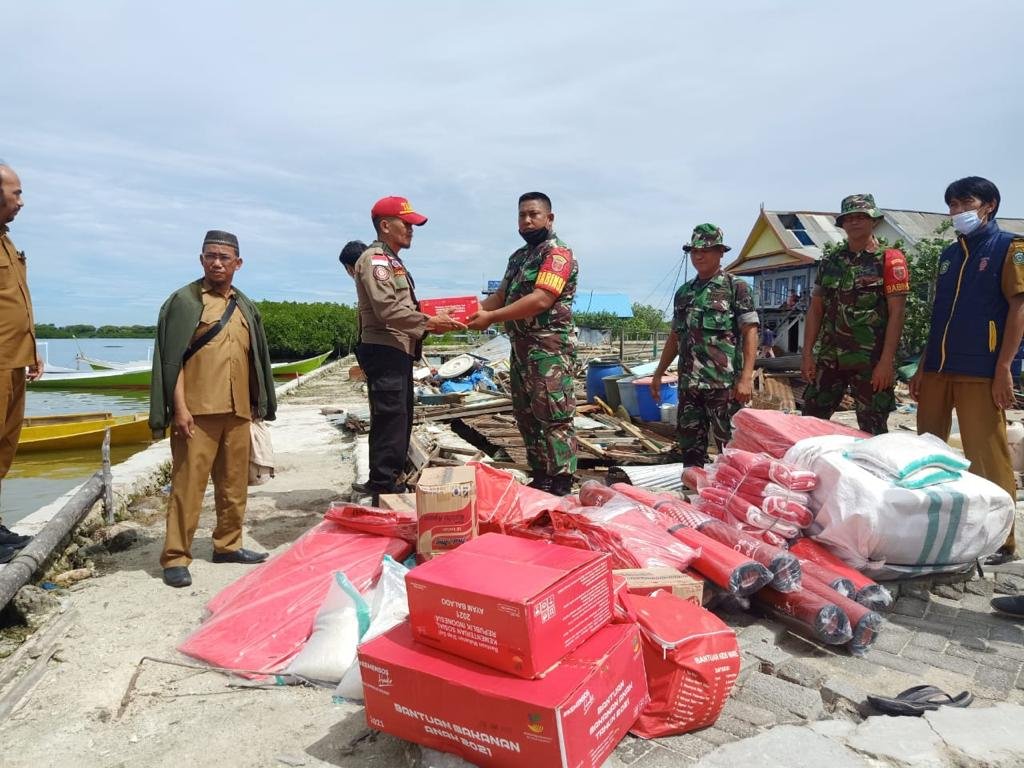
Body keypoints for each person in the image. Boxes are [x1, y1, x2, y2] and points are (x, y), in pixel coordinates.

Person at [149, 230, 277, 588]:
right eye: (210, 256)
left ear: (238, 263)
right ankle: (175, 556)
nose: (216, 262)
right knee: (188, 486)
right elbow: (171, 360)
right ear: (201, 259)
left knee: (234, 484)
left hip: (238, 410)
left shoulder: (245, 305)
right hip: (196, 412)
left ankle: (228, 545)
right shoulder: (185, 302)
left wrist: (257, 403)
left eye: (224, 257)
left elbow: (256, 359)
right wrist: (179, 409)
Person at [910, 177, 1024, 566]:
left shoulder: (1011, 247)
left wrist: (1004, 368)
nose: (958, 211)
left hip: (981, 369)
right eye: (953, 205)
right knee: (927, 453)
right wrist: (923, 368)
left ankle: (1003, 541)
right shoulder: (948, 254)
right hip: (939, 370)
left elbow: (1019, 309)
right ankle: (935, 531)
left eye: (966, 203)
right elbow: (938, 317)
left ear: (989, 205)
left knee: (987, 455)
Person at [467, 192, 578, 495]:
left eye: (534, 214)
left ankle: (562, 481)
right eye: (521, 215)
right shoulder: (518, 257)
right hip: (520, 349)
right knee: (526, 416)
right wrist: (468, 313)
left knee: (554, 417)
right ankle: (540, 475)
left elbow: (541, 298)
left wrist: (490, 318)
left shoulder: (558, 255)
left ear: (549, 217)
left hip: (548, 351)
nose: (527, 221)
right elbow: (500, 296)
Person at [352, 198, 462, 501]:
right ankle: (384, 486)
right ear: (385, 226)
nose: (411, 230)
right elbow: (387, 309)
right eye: (406, 223)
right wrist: (429, 322)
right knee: (390, 418)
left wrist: (432, 318)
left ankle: (390, 479)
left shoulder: (392, 260)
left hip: (397, 349)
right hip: (385, 349)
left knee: (399, 417)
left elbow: (404, 307)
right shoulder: (376, 260)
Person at [801, 194, 909, 435]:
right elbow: (816, 309)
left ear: (874, 221)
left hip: (870, 361)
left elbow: (897, 313)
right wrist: (807, 354)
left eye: (862, 217)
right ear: (842, 224)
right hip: (830, 358)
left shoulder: (890, 260)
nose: (855, 222)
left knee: (873, 429)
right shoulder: (831, 262)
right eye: (849, 218)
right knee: (810, 422)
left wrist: (886, 362)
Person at [651, 224, 758, 466]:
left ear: (720, 252)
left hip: (725, 386)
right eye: (694, 251)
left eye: (706, 250)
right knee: (690, 452)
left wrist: (746, 377)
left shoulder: (735, 287)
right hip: (690, 387)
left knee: (731, 451)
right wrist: (658, 373)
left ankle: (731, 500)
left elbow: (750, 331)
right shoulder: (684, 293)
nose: (698, 256)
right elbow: (675, 336)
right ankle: (692, 498)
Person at [0, 163, 42, 563]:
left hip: (14, 362)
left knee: (5, 447)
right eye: (15, 194)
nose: (21, 202)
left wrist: (31, 351)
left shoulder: (7, 243)